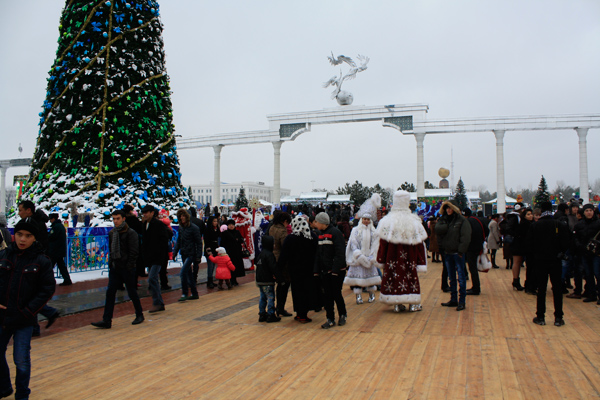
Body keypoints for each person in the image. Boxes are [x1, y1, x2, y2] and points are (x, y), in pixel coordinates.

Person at [0, 220, 55, 399]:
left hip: (24, 319)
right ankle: (5, 386)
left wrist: (27, 311)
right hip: (3, 316)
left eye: (28, 236)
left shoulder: (42, 261)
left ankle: (22, 394)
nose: (23, 239)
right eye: (19, 234)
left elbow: (46, 289)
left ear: (34, 238)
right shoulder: (4, 255)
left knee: (21, 360)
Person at [376, 190, 428, 313]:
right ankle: (413, 304)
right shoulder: (414, 221)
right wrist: (421, 261)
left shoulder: (386, 222)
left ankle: (396, 304)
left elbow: (382, 244)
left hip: (391, 258)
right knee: (410, 278)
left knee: (393, 278)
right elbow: (420, 244)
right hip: (410, 258)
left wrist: (381, 259)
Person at [91, 210, 144, 328]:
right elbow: (111, 249)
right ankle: (107, 320)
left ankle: (139, 314)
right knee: (110, 293)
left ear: (123, 219)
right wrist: (111, 263)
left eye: (118, 218)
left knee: (132, 292)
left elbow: (134, 252)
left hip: (127, 268)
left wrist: (129, 265)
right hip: (115, 267)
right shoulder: (112, 233)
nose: (115, 221)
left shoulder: (131, 233)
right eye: (114, 219)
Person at [17, 201, 59, 336]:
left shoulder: (34, 224)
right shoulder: (34, 222)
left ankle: (36, 324)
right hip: (32, 262)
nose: (19, 213)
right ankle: (46, 314)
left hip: (34, 263)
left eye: (20, 210)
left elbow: (42, 243)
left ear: (28, 210)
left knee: (30, 295)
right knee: (30, 295)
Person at [529, 202, 570, 326]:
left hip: (540, 261)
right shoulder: (559, 224)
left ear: (541, 210)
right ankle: (558, 317)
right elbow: (567, 242)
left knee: (541, 289)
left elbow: (530, 244)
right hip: (555, 261)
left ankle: (540, 316)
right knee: (557, 288)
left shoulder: (535, 226)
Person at [278, 216, 318, 322]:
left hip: (295, 270)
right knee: (307, 290)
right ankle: (303, 313)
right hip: (309, 269)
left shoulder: (291, 238)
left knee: (297, 291)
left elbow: (284, 256)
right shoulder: (312, 236)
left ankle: (300, 313)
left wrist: (278, 269)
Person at [344, 193, 382, 305]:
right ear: (362, 219)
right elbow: (353, 243)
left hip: (370, 259)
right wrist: (358, 255)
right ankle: (358, 296)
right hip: (358, 259)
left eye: (368, 219)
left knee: (370, 278)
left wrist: (371, 256)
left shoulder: (373, 231)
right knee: (358, 280)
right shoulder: (355, 230)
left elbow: (376, 244)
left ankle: (371, 295)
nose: (366, 221)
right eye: (364, 219)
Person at [436, 200, 472, 311]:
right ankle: (453, 299)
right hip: (448, 253)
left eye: (450, 208)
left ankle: (461, 301)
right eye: (446, 208)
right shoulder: (444, 220)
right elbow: (438, 230)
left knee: (461, 278)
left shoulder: (461, 221)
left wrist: (461, 251)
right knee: (451, 278)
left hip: (458, 253)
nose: (448, 210)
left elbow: (465, 236)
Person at [313, 212, 347, 329]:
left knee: (336, 294)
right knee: (327, 296)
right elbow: (319, 254)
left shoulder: (335, 233)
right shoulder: (321, 235)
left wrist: (335, 270)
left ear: (322, 222)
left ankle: (342, 314)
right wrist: (316, 270)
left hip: (336, 271)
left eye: (316, 222)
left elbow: (339, 253)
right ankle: (330, 318)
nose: (315, 224)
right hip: (325, 271)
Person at [140, 205, 169, 313]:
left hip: (157, 257)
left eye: (147, 212)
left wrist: (161, 255)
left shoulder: (158, 225)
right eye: (143, 213)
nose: (145, 214)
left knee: (152, 278)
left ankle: (157, 302)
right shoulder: (145, 225)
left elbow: (163, 241)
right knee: (153, 279)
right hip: (149, 257)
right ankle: (158, 302)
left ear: (152, 213)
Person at [573, 204, 600, 303]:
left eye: (590, 210)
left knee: (597, 273)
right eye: (587, 210)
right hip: (584, 252)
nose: (589, 212)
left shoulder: (598, 223)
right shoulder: (579, 225)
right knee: (588, 274)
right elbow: (575, 238)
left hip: (596, 253)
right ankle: (591, 294)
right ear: (583, 212)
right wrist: (580, 246)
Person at [174, 209, 201, 301]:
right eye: (180, 216)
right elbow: (179, 241)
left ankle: (184, 293)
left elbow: (199, 243)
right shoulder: (181, 228)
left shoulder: (194, 228)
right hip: (184, 253)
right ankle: (194, 293)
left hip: (191, 253)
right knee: (189, 274)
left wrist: (198, 256)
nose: (182, 218)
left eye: (183, 215)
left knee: (183, 273)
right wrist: (175, 252)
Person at [270, 212, 292, 317]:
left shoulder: (272, 228)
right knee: (284, 284)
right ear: (285, 221)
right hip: (281, 260)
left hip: (272, 258)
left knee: (276, 284)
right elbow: (286, 247)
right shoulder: (283, 231)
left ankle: (273, 308)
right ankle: (280, 308)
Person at [463, 208, 488, 296]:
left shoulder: (467, 222)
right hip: (479, 246)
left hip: (471, 247)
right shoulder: (478, 220)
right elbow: (486, 230)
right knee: (474, 267)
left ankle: (476, 288)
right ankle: (475, 287)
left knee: (472, 268)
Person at [255, 237, 281, 323]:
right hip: (267, 280)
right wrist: (278, 277)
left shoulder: (261, 254)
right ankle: (271, 314)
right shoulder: (269, 254)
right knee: (270, 297)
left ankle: (262, 314)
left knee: (262, 297)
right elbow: (273, 267)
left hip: (260, 280)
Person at [512, 208, 534, 291]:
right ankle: (516, 280)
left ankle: (516, 281)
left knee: (517, 262)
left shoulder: (526, 223)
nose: (530, 215)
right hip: (520, 245)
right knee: (517, 262)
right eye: (528, 214)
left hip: (520, 245)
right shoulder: (525, 224)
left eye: (531, 214)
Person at [220, 219, 245, 286]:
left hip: (237, 253)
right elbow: (223, 243)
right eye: (230, 225)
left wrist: (238, 240)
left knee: (236, 266)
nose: (231, 226)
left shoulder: (237, 232)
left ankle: (234, 280)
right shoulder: (225, 233)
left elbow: (241, 239)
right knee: (230, 267)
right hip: (229, 253)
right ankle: (231, 280)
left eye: (232, 225)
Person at [48, 213, 71, 286]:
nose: (50, 221)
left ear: (53, 219)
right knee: (61, 265)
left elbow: (51, 236)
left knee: (49, 266)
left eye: (50, 219)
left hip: (55, 250)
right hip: (59, 249)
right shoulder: (60, 226)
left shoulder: (56, 227)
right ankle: (67, 279)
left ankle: (47, 281)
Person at [188, 207, 205, 284]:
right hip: (198, 242)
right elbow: (204, 231)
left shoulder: (187, 222)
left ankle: (189, 277)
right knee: (196, 262)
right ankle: (194, 276)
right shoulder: (199, 222)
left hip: (189, 244)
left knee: (188, 262)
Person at [203, 216, 221, 289]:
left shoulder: (217, 229)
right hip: (209, 248)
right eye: (214, 221)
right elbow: (206, 241)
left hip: (215, 248)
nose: (215, 223)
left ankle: (211, 280)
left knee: (213, 265)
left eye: (216, 221)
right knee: (210, 265)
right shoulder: (207, 230)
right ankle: (209, 280)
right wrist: (208, 250)